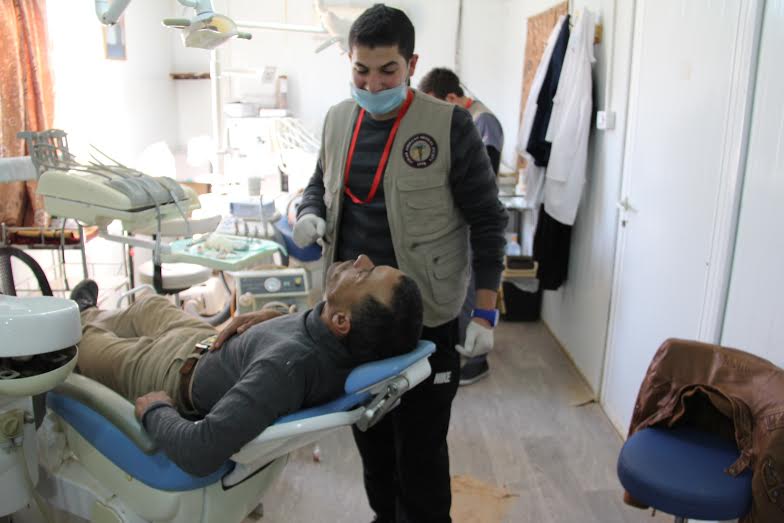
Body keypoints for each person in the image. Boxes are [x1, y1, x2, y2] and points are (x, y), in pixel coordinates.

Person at [292, 5, 508, 522]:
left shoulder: (449, 126)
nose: (372, 84)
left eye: (387, 70)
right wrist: (309, 212)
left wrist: (484, 312)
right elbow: (318, 183)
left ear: (412, 64)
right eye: (361, 70)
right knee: (372, 443)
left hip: (426, 320)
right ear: (349, 62)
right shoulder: (338, 119)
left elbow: (488, 221)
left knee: (421, 455)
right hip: (354, 321)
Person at [68, 254, 423, 477]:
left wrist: (156, 411)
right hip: (203, 342)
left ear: (342, 321)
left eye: (364, 275)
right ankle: (90, 312)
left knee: (85, 342)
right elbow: (310, 335)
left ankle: (78, 320)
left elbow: (200, 451)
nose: (360, 260)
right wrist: (276, 317)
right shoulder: (334, 337)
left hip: (169, 374)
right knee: (150, 305)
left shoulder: (284, 369)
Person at [418, 67, 505, 386]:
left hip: (474, 216)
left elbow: (484, 175)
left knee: (470, 289)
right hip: (460, 215)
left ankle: (475, 360)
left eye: (436, 104)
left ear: (452, 98)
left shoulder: (482, 120)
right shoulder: (468, 118)